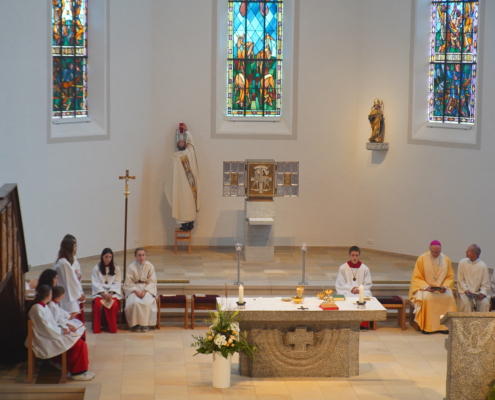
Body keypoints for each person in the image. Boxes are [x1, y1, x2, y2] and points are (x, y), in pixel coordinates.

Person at [27, 285, 94, 381]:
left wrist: (63, 328)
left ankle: (82, 370)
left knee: (78, 341)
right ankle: (77, 373)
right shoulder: (37, 309)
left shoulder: (43, 306)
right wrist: (62, 331)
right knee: (79, 344)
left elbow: (52, 323)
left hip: (49, 334)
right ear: (48, 296)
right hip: (44, 338)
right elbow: (45, 327)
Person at [409, 240, 456, 334]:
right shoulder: (422, 259)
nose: (436, 254)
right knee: (428, 298)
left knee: (449, 297)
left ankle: (444, 326)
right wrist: (426, 287)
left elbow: (450, 276)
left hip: (442, 289)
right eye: (434, 252)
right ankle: (428, 327)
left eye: (438, 252)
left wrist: (445, 286)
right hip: (426, 289)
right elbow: (416, 277)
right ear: (429, 249)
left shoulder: (445, 259)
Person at [164, 123, 200, 231]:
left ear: (184, 144)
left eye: (182, 142)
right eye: (179, 142)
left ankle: (191, 223)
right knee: (181, 204)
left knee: (189, 203)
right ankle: (184, 224)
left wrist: (187, 131)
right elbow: (171, 175)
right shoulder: (174, 158)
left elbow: (191, 143)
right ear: (177, 146)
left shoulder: (189, 153)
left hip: (190, 186)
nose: (181, 142)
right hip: (180, 187)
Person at [336, 246, 373, 329]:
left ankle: (362, 325)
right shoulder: (343, 268)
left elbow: (367, 283)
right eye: (353, 255)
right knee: (343, 298)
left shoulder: (365, 268)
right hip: (347, 290)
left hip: (361, 291)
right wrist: (351, 289)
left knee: (367, 298)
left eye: (356, 255)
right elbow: (340, 283)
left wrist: (359, 289)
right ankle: (346, 324)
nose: (355, 257)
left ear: (359, 255)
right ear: (349, 255)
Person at [123, 248, 157, 332]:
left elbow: (152, 282)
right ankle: (136, 324)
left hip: (146, 288)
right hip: (134, 288)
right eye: (139, 255)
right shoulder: (131, 267)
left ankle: (145, 324)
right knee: (135, 302)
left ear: (145, 256)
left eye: (143, 255)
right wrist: (135, 291)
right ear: (135, 256)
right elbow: (128, 282)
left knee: (147, 302)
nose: (141, 257)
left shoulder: (150, 266)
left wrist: (145, 291)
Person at [54, 237, 86, 326]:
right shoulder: (64, 263)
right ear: (69, 248)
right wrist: (78, 295)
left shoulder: (64, 261)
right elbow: (70, 282)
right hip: (68, 298)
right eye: (74, 247)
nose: (76, 249)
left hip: (69, 296)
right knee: (72, 323)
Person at [91, 248, 122, 333]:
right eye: (106, 257)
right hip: (100, 293)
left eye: (110, 257)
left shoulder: (116, 267)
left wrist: (111, 293)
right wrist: (103, 294)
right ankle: (97, 328)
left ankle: (112, 328)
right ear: (102, 257)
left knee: (114, 305)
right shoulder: (97, 268)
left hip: (112, 293)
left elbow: (117, 282)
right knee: (97, 305)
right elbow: (95, 282)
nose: (108, 259)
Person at [457, 244, 490, 312]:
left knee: (485, 304)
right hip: (465, 292)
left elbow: (485, 284)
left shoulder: (483, 266)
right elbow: (460, 279)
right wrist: (466, 290)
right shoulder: (462, 262)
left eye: (468, 251)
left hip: (477, 293)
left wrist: (482, 293)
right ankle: (465, 319)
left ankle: (482, 319)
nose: (466, 252)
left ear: (474, 254)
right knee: (466, 303)